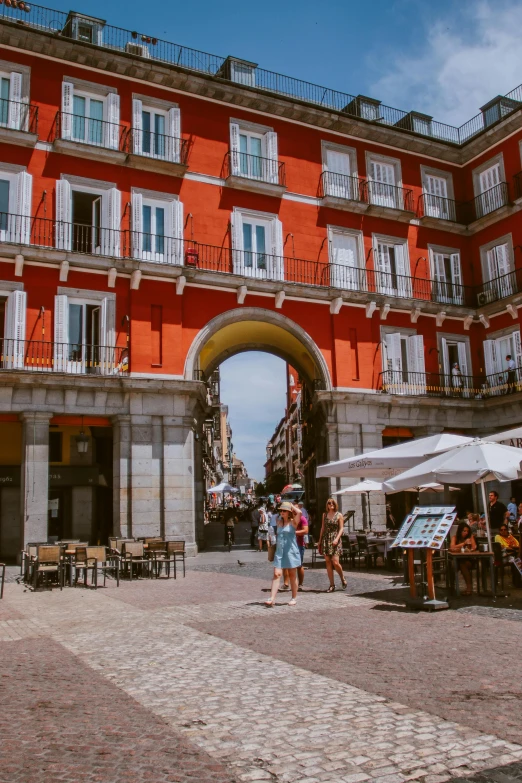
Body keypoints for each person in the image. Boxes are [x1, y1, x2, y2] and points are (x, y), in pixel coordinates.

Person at [265, 502, 302, 607]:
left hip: (291, 551)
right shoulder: (278, 522)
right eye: (281, 510)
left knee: (292, 574)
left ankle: (294, 597)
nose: (282, 512)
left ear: (289, 512)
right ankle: (272, 598)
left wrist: (291, 505)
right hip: (280, 552)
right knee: (277, 574)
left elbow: (299, 512)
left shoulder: (293, 522)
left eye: (284, 511)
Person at [318, 498, 347, 592]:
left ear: (335, 504)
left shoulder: (339, 515)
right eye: (329, 503)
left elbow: (341, 528)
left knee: (335, 562)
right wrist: (320, 541)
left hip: (335, 538)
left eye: (332, 503)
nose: (331, 504)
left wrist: (337, 539)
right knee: (327, 561)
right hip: (326, 539)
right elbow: (322, 528)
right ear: (327, 505)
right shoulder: (324, 515)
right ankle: (332, 585)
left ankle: (342, 578)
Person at [449, 521, 477, 595]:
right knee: (453, 565)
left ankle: (469, 588)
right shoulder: (455, 537)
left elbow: (474, 547)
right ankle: (452, 586)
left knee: (463, 564)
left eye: (467, 531)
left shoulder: (470, 537)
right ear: (460, 531)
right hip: (457, 559)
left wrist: (470, 548)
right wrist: (463, 544)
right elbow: (452, 547)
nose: (466, 533)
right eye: (464, 531)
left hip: (468, 559)